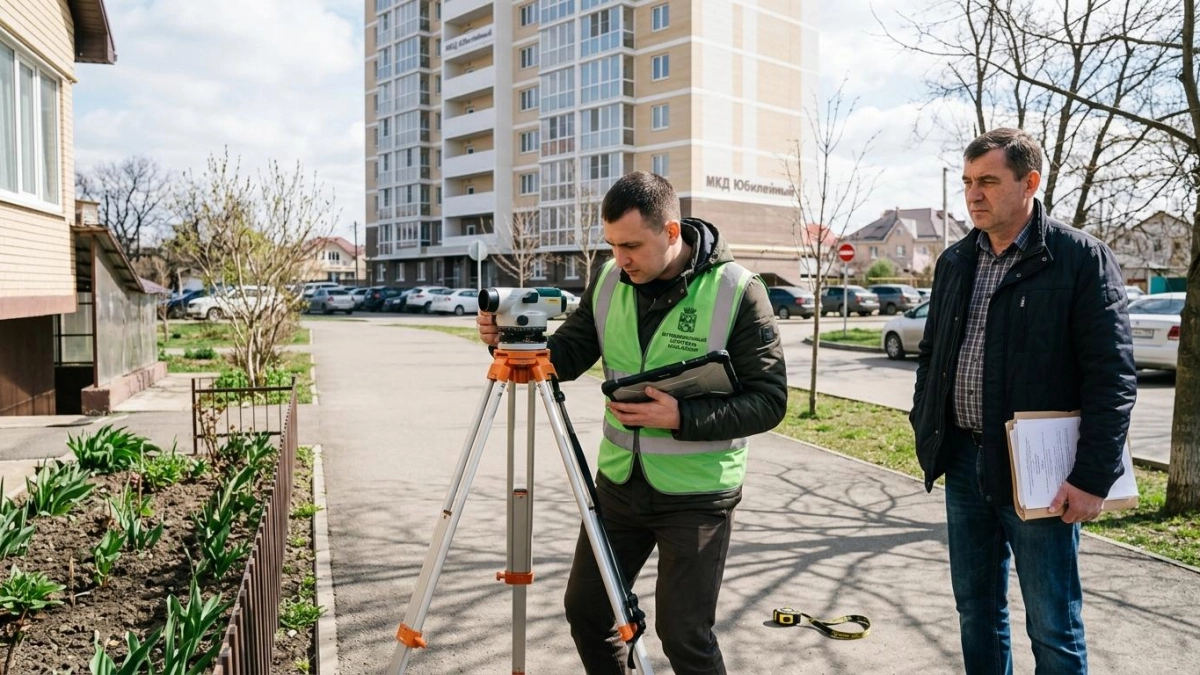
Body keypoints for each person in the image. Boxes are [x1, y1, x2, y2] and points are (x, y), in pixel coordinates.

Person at [477, 171, 787, 674]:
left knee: (684, 635)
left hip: (697, 494)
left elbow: (770, 401)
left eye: (631, 246)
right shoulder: (608, 280)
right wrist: (510, 341)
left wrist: (682, 415)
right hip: (619, 484)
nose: (620, 259)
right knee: (587, 609)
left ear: (670, 232)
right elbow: (567, 356)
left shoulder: (738, 291)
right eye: (612, 245)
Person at [910, 128, 1137, 674]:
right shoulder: (956, 261)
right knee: (977, 612)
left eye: (988, 181)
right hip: (965, 464)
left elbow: (1112, 378)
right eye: (967, 182)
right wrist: (926, 422)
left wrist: (1091, 478)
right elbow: (933, 354)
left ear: (1030, 182)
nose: (973, 195)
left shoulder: (1080, 259)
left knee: (1053, 624)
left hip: (1042, 472)